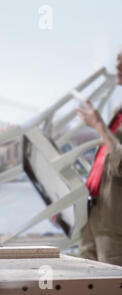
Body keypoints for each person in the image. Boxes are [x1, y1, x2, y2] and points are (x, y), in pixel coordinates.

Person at [78, 47, 122, 266]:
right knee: (86, 284)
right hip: (95, 215)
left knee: (112, 287)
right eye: (117, 60)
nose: (118, 67)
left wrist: (99, 127)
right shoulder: (119, 111)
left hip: (115, 227)